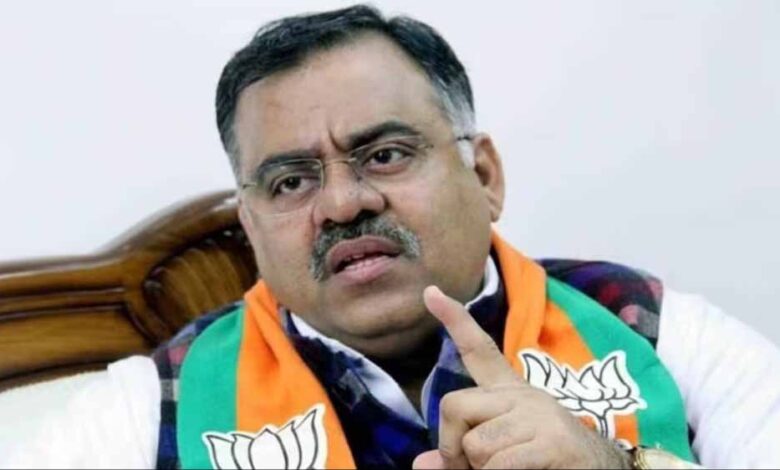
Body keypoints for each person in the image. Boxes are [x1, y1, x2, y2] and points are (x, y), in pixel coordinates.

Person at [1, 4, 779, 469]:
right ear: (253, 228)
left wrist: (618, 466)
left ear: (485, 176)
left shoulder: (659, 332)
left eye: (384, 155)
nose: (342, 204)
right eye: (291, 182)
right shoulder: (146, 412)